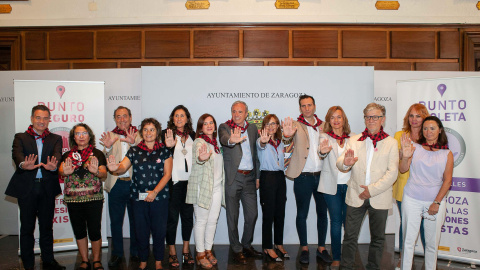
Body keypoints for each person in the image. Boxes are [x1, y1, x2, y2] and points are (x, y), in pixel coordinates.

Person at [336, 102, 399, 270]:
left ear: (383, 119)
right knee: (350, 236)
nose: (371, 120)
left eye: (375, 117)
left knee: (378, 239)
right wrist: (346, 163)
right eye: (368, 117)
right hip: (355, 195)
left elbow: (392, 173)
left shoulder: (391, 143)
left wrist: (370, 190)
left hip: (379, 196)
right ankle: (346, 267)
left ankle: (373, 267)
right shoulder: (354, 140)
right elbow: (341, 162)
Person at [107, 118, 172, 270]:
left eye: (152, 130)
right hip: (138, 198)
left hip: (159, 197)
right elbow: (122, 167)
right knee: (141, 231)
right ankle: (143, 261)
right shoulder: (134, 150)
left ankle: (158, 261)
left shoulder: (164, 151)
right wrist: (114, 168)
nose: (148, 133)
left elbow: (167, 174)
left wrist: (155, 192)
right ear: (141, 132)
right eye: (145, 129)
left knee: (159, 231)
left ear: (157, 132)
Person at [5, 105, 66, 270]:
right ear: (32, 119)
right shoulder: (20, 137)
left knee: (46, 227)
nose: (42, 121)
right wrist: (24, 164)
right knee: (27, 227)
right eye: (38, 118)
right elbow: (16, 154)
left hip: (47, 188)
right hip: (27, 189)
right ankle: (28, 264)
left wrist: (53, 166)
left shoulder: (55, 138)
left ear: (49, 120)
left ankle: (48, 260)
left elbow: (57, 155)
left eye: (45, 118)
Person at [282, 94, 331, 264]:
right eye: (303, 106)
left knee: (322, 214)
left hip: (323, 176)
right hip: (303, 177)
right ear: (300, 108)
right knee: (302, 214)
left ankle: (321, 247)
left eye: (309, 105)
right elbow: (286, 140)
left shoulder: (325, 126)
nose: (307, 108)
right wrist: (287, 136)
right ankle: (304, 247)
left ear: (315, 106)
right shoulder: (295, 125)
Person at [399, 116, 453, 270]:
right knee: (408, 242)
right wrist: (405, 156)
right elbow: (403, 169)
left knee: (431, 244)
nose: (428, 132)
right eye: (425, 128)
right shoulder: (414, 147)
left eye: (432, 128)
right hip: (412, 199)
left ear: (440, 130)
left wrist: (436, 202)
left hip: (434, 202)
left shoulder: (447, 153)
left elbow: (447, 181)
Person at [59, 123, 107, 270]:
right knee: (79, 230)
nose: (81, 136)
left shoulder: (97, 153)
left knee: (94, 230)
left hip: (93, 199)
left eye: (84, 133)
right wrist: (64, 172)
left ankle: (97, 260)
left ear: (89, 136)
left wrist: (96, 171)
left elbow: (104, 173)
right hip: (73, 201)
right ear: (73, 137)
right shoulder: (67, 155)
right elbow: (61, 170)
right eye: (78, 134)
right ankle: (85, 260)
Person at [218, 100, 261, 264]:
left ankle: (246, 244)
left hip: (250, 178)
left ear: (246, 114)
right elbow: (224, 139)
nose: (236, 114)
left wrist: (257, 176)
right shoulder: (224, 126)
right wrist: (231, 140)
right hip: (233, 178)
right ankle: (236, 249)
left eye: (240, 112)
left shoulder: (252, 128)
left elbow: (255, 153)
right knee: (232, 217)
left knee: (252, 215)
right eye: (234, 111)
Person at [100, 106, 140, 267]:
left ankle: (136, 253)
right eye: (118, 116)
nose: (122, 119)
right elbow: (104, 158)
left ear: (130, 117)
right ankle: (117, 253)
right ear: (115, 119)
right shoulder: (110, 136)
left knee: (136, 220)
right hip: (116, 184)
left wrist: (134, 143)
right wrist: (108, 147)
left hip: (135, 184)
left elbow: (145, 155)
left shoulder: (139, 135)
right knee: (116, 221)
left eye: (125, 116)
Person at [185, 114, 225, 269]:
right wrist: (202, 158)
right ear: (201, 127)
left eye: (211, 123)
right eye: (205, 123)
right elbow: (198, 158)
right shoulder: (199, 142)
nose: (209, 125)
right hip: (203, 188)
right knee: (201, 221)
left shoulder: (215, 144)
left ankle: (208, 250)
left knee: (212, 221)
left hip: (217, 188)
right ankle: (200, 252)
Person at [392, 103, 429, 269]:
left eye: (418, 116)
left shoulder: (429, 135)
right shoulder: (399, 135)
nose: (414, 119)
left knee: (424, 225)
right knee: (406, 223)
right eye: (411, 116)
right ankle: (404, 257)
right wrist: (402, 153)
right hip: (404, 185)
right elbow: (394, 161)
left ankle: (430, 259)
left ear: (424, 118)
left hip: (425, 188)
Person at [317, 106, 354, 268]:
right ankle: (337, 257)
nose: (336, 120)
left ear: (344, 119)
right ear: (328, 120)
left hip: (349, 186)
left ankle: (348, 256)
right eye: (332, 117)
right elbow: (321, 152)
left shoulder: (352, 138)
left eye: (339, 117)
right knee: (336, 222)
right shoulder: (324, 136)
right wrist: (322, 152)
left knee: (349, 223)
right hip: (331, 187)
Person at [162, 105, 195, 268]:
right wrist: (168, 146)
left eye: (182, 115)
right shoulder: (166, 134)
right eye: (176, 116)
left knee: (188, 218)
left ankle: (186, 250)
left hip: (189, 183)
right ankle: (173, 251)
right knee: (172, 219)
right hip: (173, 184)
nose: (179, 118)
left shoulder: (193, 136)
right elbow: (160, 156)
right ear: (172, 118)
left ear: (187, 118)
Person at [257, 114, 287, 262]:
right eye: (268, 124)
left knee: (280, 213)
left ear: (277, 126)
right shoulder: (261, 140)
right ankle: (268, 247)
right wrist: (263, 142)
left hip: (280, 178)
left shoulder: (281, 143)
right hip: (267, 178)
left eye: (274, 124)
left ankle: (278, 243)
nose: (271, 126)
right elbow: (260, 145)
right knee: (268, 214)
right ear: (264, 126)